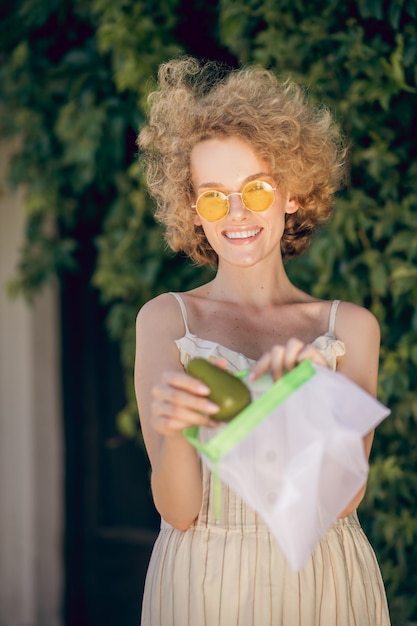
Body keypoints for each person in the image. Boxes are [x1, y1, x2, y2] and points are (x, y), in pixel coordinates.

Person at [134, 56, 390, 625]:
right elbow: (179, 512)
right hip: (204, 583)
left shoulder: (348, 329)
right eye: (213, 197)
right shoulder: (165, 322)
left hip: (324, 583)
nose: (235, 215)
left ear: (292, 193)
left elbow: (342, 502)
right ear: (193, 211)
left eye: (255, 190)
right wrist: (181, 429)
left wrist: (302, 398)